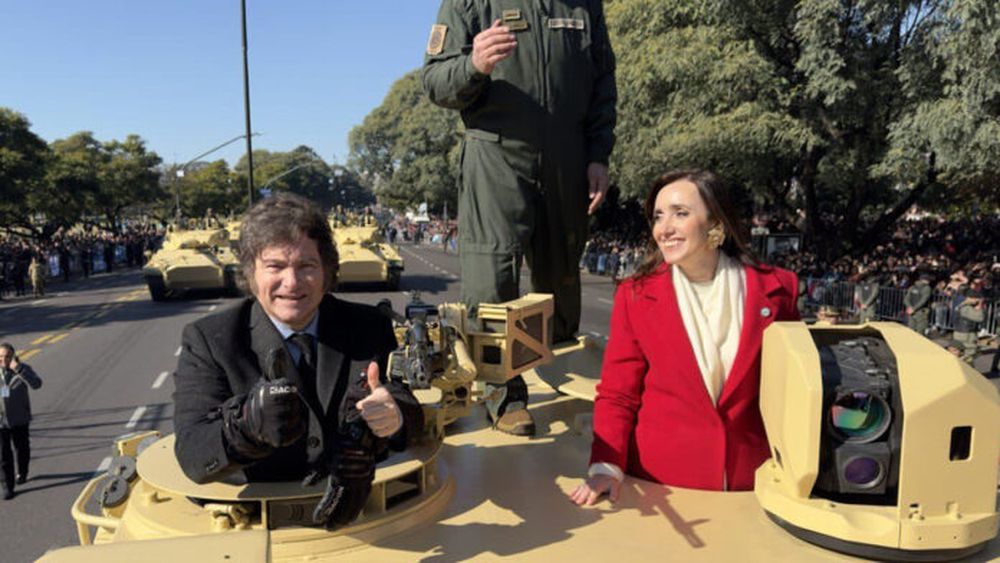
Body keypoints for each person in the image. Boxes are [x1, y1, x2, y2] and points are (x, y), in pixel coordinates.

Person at [422, 0, 617, 435]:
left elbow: (604, 81)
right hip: (496, 149)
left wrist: (598, 154)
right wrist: (474, 64)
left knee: (562, 273)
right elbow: (435, 81)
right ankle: (503, 394)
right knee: (493, 276)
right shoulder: (469, 4)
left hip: (569, 153)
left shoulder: (586, 5)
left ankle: (563, 375)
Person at [172, 193, 422, 527]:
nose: (291, 283)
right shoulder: (210, 340)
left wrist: (395, 415)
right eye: (275, 266)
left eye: (306, 266)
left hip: (363, 512)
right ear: (250, 273)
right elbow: (193, 452)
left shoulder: (368, 326)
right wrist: (245, 427)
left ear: (327, 271)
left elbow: (407, 403)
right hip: (251, 520)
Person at [569, 170, 799, 505]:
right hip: (661, 487)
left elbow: (794, 393)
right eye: (658, 216)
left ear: (715, 222)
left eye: (680, 213)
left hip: (752, 486)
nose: (664, 228)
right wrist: (606, 466)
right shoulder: (635, 295)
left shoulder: (779, 290)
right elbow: (618, 393)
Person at [0, 343, 43, 500]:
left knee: (22, 448)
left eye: (7, 356)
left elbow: (37, 384)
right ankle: (7, 486)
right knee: (3, 454)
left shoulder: (23, 369)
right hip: (1, 421)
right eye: (0, 357)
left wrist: (19, 369)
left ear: (13, 357)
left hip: (19, 418)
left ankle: (22, 472)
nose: (3, 360)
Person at [952, 289, 985, 363]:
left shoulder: (961, 304)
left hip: (961, 333)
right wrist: (979, 306)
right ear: (971, 298)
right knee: (969, 355)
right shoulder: (967, 308)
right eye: (976, 299)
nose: (977, 301)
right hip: (966, 334)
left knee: (960, 355)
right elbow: (980, 318)